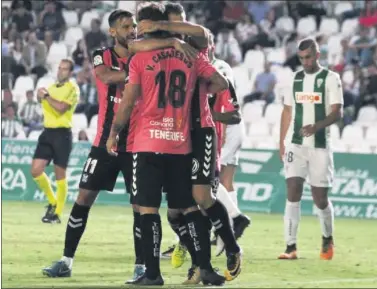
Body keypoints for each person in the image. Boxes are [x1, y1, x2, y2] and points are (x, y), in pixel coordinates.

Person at [41, 9, 198, 280]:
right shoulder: (105, 55)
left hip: (138, 143)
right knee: (83, 198)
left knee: (141, 206)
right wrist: (140, 66)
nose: (131, 30)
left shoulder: (145, 55)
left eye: (134, 26)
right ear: (113, 31)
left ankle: (141, 266)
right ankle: (66, 260)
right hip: (105, 141)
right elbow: (106, 77)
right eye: (125, 27)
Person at [106, 3, 229, 286]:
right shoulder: (191, 56)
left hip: (148, 143)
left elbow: (126, 103)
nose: (136, 31)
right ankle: (206, 268)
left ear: (148, 26)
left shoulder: (139, 59)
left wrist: (114, 133)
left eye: (139, 26)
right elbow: (220, 83)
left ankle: (152, 274)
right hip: (181, 143)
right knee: (187, 208)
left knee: (147, 209)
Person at [138, 3, 242, 283]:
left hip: (200, 130)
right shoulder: (162, 49)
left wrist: (166, 29)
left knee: (200, 198)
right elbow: (133, 47)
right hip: (175, 133)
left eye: (181, 23)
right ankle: (200, 263)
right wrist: (166, 37)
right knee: (175, 211)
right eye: (174, 22)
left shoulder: (196, 46)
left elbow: (201, 32)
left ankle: (232, 248)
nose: (180, 28)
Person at [279, 38, 343, 260]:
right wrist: (281, 143)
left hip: (320, 147)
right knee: (293, 191)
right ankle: (290, 246)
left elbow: (337, 112)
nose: (305, 62)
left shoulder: (331, 79)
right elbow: (287, 112)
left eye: (308, 57)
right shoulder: (294, 79)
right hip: (295, 145)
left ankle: (327, 237)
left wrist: (316, 127)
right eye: (301, 58)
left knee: (320, 199)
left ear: (317, 55)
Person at [207, 32, 250, 256]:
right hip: (224, 124)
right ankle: (228, 233)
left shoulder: (219, 67)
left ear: (213, 45)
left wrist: (219, 134)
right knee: (223, 181)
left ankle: (234, 219)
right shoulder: (211, 65)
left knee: (210, 180)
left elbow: (223, 102)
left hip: (226, 126)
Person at [31, 58, 79, 224]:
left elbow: (60, 109)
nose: (60, 71)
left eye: (64, 69)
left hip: (62, 134)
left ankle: (57, 214)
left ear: (70, 72)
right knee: (36, 170)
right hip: (47, 132)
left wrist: (45, 96)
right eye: (59, 68)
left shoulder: (72, 89)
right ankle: (52, 201)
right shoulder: (51, 88)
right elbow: (41, 100)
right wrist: (39, 96)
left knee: (60, 175)